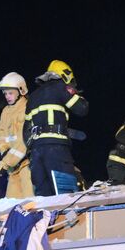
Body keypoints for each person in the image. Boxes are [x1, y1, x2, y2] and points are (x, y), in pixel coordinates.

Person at [22, 60, 88, 196]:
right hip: (56, 149)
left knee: (44, 198)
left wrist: (32, 150)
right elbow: (82, 109)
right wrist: (74, 93)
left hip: (36, 152)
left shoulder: (33, 97)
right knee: (66, 194)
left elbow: (26, 130)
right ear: (65, 75)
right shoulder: (61, 87)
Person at [0, 73, 32, 198]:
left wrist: (8, 160)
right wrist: (4, 151)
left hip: (27, 164)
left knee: (30, 202)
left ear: (21, 90)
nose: (7, 97)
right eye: (5, 94)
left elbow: (25, 139)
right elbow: (1, 134)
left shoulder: (28, 108)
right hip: (12, 168)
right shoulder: (6, 111)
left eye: (10, 93)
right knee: (11, 204)